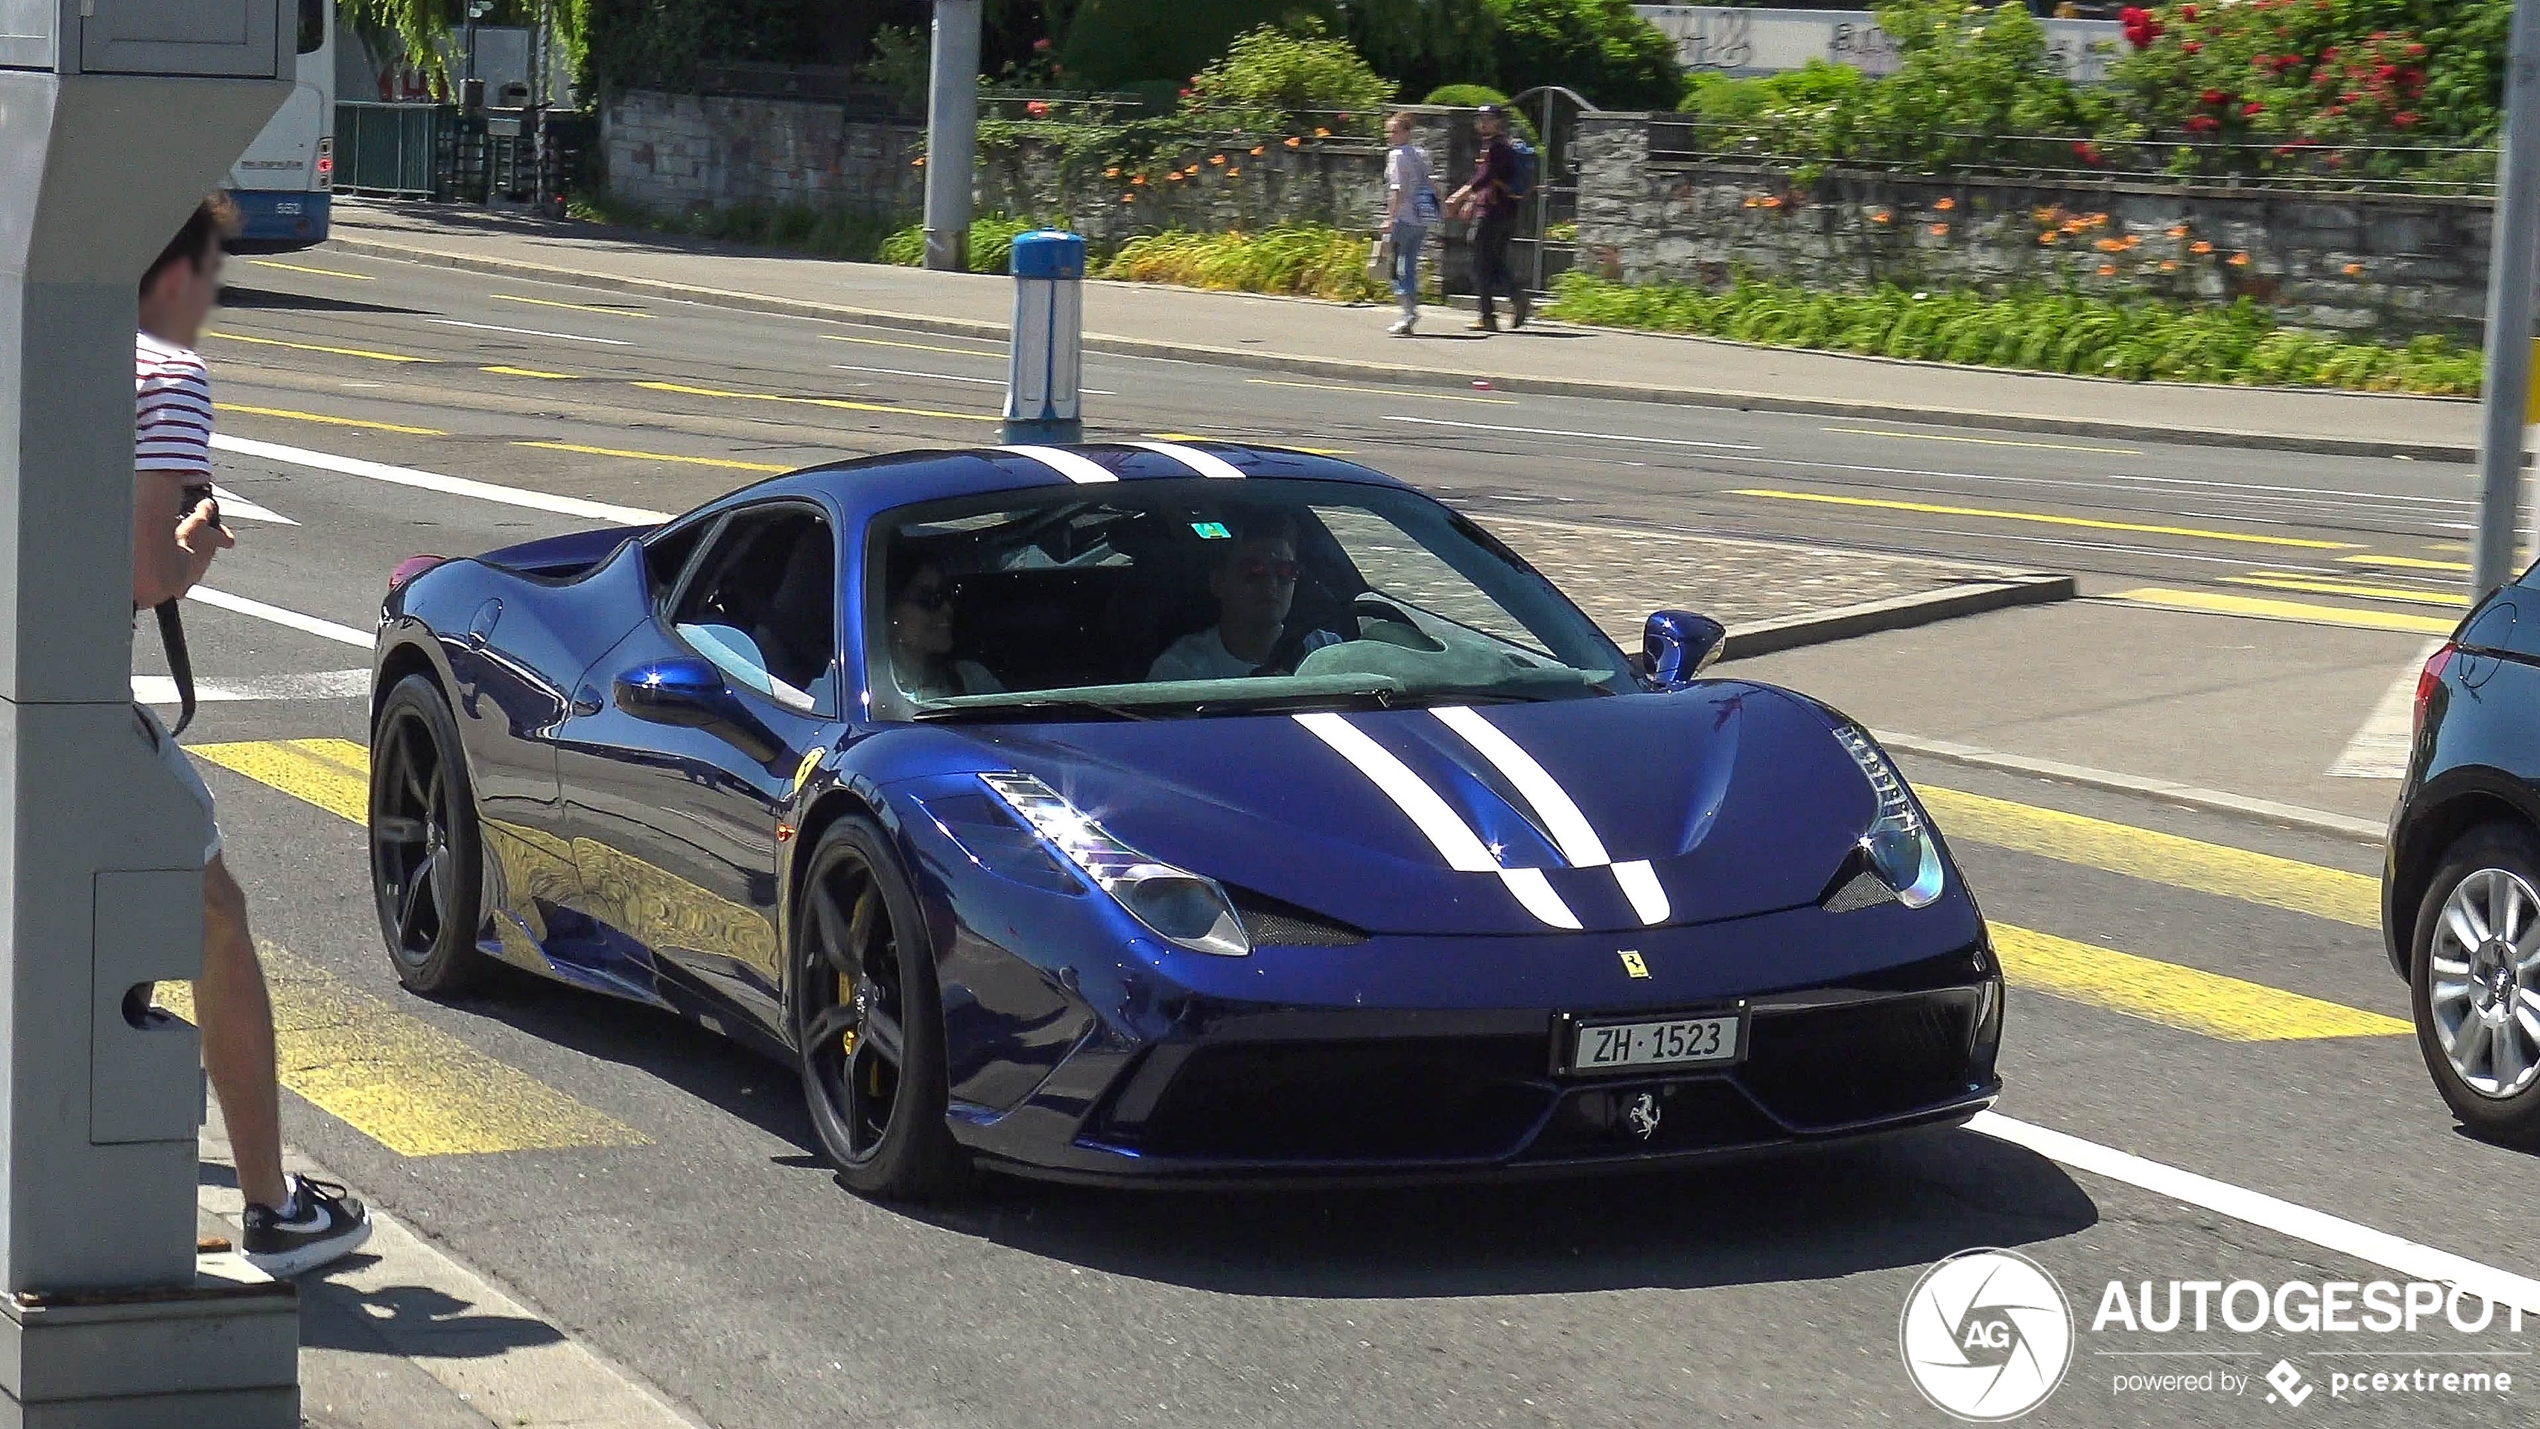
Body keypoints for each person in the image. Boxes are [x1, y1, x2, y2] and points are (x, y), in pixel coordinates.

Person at [136, 197, 371, 1277]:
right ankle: (274, 1206)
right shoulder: (165, 374)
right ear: (177, 273)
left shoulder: (40, 338)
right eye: (216, 271)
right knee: (217, 920)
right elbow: (140, 574)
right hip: (64, 709)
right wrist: (196, 546)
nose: (214, 298)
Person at [1146, 519, 1341, 681]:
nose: (1271, 584)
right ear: (1219, 583)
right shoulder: (1180, 671)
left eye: (1285, 571)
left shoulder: (1327, 652)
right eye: (1253, 571)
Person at [1446, 104, 1529, 333]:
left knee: (1480, 262)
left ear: (1498, 122)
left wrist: (1458, 196)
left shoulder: (1497, 147)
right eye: (1480, 118)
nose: (1483, 123)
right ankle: (1515, 298)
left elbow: (1484, 178)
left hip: (1492, 213)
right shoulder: (1499, 146)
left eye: (1488, 118)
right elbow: (1489, 179)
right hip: (1504, 211)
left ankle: (1488, 315)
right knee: (1494, 260)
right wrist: (1471, 202)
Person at [886, 557, 1000, 699]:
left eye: (949, 594)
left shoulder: (972, 677)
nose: (947, 608)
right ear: (889, 613)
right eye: (929, 598)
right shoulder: (865, 686)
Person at [1381, 112, 1438, 337]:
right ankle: (1410, 311)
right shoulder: (1421, 154)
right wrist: (1440, 207)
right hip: (1421, 217)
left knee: (1396, 266)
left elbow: (1397, 189)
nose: (1391, 136)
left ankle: (1408, 313)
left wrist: (1390, 217)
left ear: (1406, 132)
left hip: (1403, 217)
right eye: (1389, 131)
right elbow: (1432, 182)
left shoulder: (1396, 155)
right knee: (1410, 263)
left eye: (1394, 131)